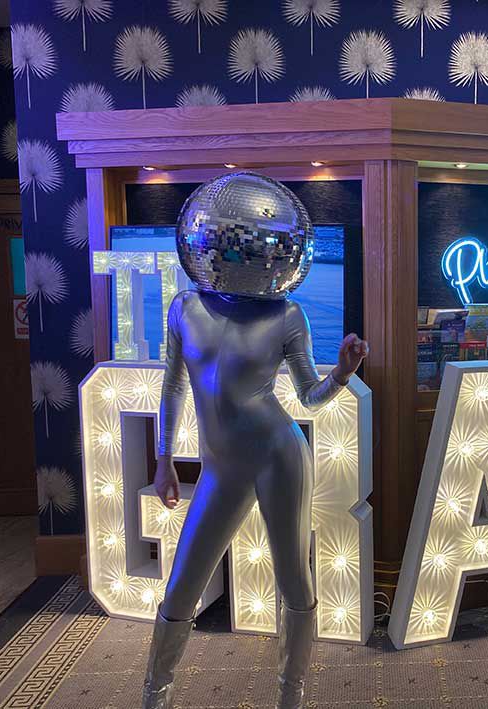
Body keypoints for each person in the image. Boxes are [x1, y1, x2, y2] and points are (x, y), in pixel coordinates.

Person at [142, 173, 369, 709]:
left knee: (294, 580)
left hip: (279, 455)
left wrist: (342, 373)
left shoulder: (286, 314)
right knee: (181, 586)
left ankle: (291, 696)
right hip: (220, 467)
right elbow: (172, 385)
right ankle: (154, 696)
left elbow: (308, 397)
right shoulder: (184, 308)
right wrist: (164, 458)